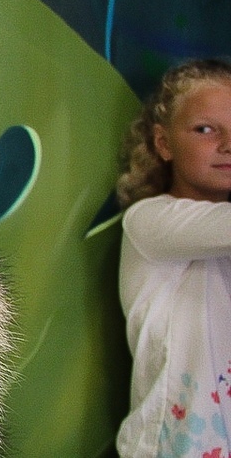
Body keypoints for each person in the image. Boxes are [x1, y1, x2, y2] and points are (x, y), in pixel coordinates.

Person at [114, 58, 231, 458]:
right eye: (205, 129)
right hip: (172, 446)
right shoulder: (148, 222)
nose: (228, 144)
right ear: (163, 143)